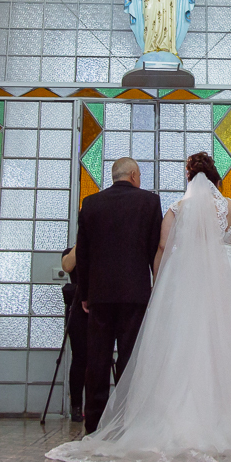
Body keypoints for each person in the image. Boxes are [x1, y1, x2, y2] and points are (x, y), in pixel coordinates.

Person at [47, 153, 231, 462]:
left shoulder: (174, 209)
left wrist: (159, 283)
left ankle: (130, 420)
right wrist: (229, 252)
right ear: (216, 180)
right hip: (223, 279)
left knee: (184, 348)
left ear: (188, 180)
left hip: (176, 280)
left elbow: (162, 247)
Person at [71, 157, 163, 434]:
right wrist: (156, 286)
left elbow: (83, 253)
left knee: (96, 358)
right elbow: (154, 248)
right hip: (134, 292)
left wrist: (85, 293)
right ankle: (127, 420)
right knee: (129, 357)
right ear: (134, 175)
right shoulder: (149, 202)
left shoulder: (91, 203)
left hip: (99, 294)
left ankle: (94, 422)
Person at [60, 246, 87, 422]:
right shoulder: (71, 251)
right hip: (77, 310)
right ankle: (76, 406)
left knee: (99, 358)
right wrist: (81, 242)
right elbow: (67, 266)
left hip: (99, 306)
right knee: (79, 357)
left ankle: (97, 405)